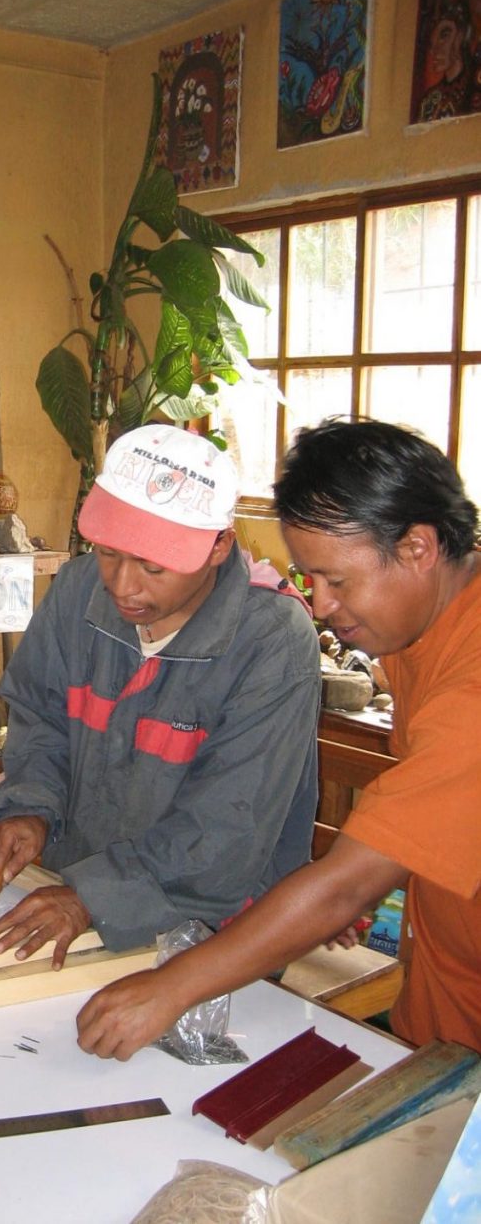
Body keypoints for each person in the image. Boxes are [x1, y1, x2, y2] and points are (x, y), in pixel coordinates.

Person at [77, 418, 481, 1061]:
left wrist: (170, 987)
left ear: (418, 548)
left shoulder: (470, 686)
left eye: (337, 581)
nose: (319, 606)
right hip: (440, 1004)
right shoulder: (424, 635)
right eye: (308, 578)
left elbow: (345, 886)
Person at [0, 422, 321, 968]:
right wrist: (32, 811)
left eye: (153, 566)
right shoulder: (77, 591)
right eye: (109, 553)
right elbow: (42, 724)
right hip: (75, 895)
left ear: (218, 547)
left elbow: (228, 827)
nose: (122, 585)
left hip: (215, 933)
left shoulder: (272, 641)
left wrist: (94, 897)